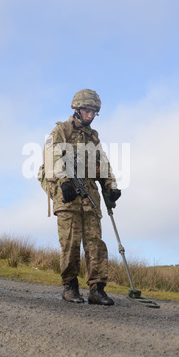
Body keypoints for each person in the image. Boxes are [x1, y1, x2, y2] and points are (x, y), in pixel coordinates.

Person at [39, 89, 121, 305]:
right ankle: (70, 286)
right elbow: (51, 156)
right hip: (67, 196)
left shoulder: (93, 137)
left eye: (94, 111)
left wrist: (110, 187)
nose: (90, 115)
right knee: (70, 243)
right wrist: (64, 181)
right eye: (87, 110)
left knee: (95, 243)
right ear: (77, 109)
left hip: (90, 197)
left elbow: (102, 164)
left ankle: (97, 288)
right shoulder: (61, 131)